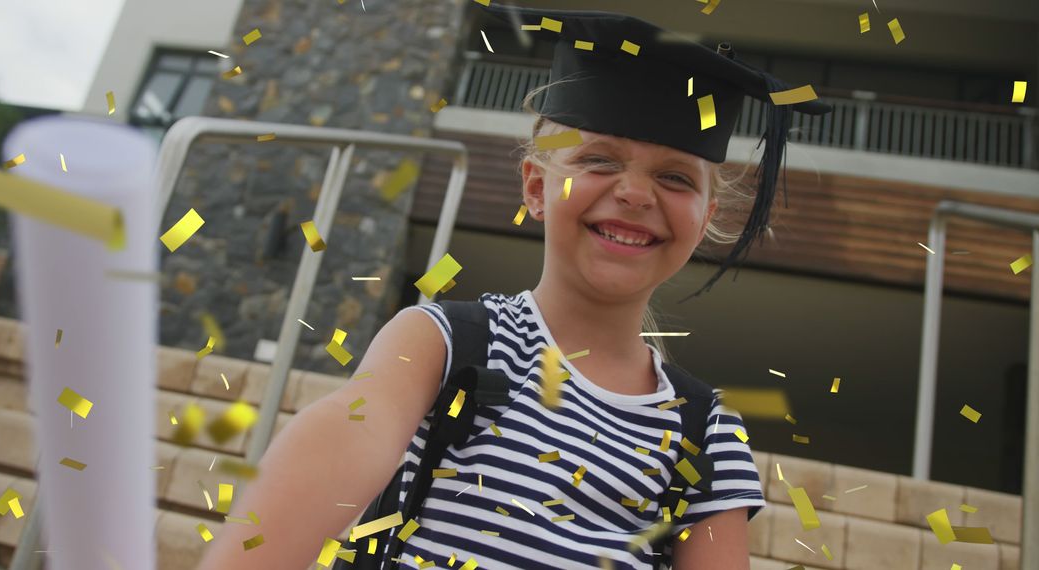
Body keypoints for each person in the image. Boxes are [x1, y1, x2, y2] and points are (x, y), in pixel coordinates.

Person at [197, 4, 829, 569]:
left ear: (706, 218)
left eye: (677, 178)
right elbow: (347, 434)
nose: (635, 193)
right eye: (599, 161)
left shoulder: (705, 433)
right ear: (535, 187)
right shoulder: (441, 344)